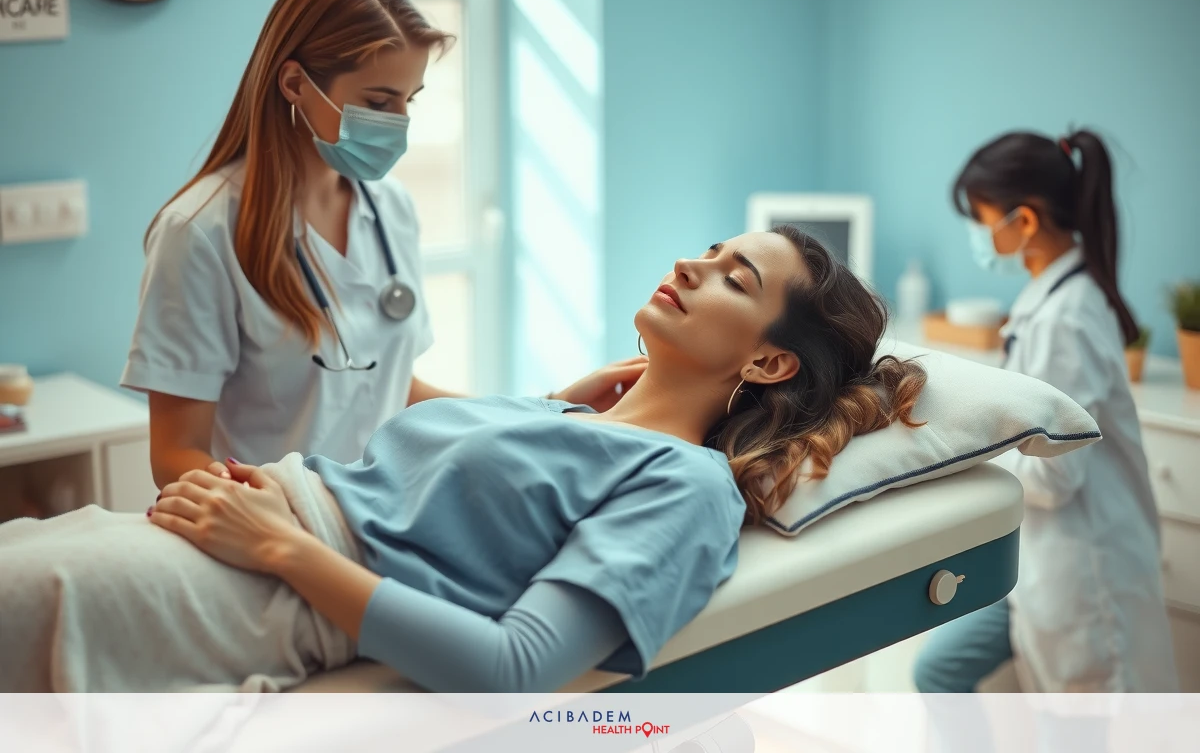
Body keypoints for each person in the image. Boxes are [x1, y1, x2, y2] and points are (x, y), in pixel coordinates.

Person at [0, 229, 925, 692]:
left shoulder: (686, 487)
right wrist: (553, 407)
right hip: (199, 536)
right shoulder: (576, 412)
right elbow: (472, 491)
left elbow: (516, 667)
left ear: (767, 361)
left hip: (249, 585)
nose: (692, 266)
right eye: (712, 251)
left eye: (735, 279)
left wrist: (278, 548)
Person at [120, 0, 643, 488]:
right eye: (378, 101)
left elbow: (395, 391)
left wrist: (549, 406)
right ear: (296, 83)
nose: (399, 122)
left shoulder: (390, 208)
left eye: (407, 99)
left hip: (384, 512)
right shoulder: (200, 233)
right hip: (275, 526)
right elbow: (175, 455)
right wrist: (286, 516)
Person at [914, 129, 1178, 701]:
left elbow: (1057, 475)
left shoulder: (1067, 319)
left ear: (1024, 223)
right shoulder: (1052, 299)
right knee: (936, 668)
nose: (979, 236)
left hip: (1085, 571)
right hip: (1038, 564)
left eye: (982, 220)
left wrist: (970, 459)